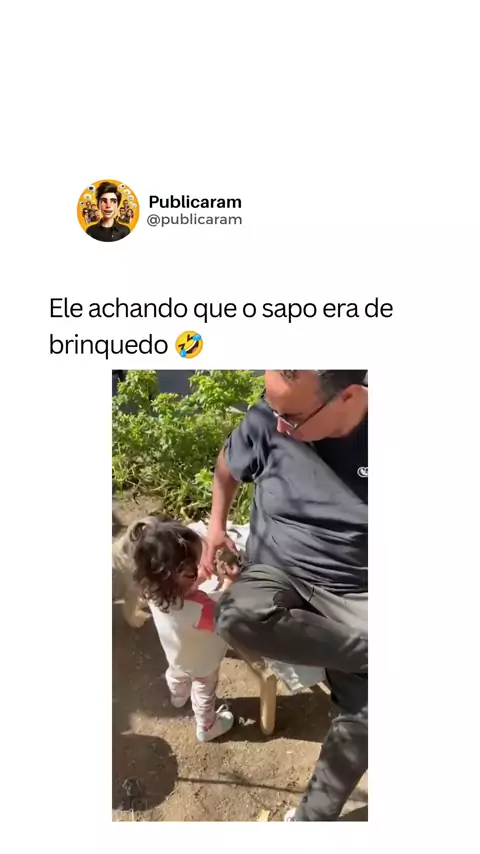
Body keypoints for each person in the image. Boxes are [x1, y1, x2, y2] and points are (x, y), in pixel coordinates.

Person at [201, 369, 368, 821]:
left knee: (369, 719)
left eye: (290, 416)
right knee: (235, 616)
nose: (275, 424)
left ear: (348, 397)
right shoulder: (269, 418)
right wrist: (216, 526)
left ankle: (311, 821)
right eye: (271, 406)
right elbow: (227, 464)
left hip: (357, 589)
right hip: (279, 571)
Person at [132, 516, 235, 742]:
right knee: (204, 691)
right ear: (182, 573)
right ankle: (207, 726)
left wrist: (195, 580)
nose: (198, 567)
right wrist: (229, 583)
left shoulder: (152, 589)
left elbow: (179, 593)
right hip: (202, 662)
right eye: (194, 566)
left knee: (177, 675)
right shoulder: (201, 607)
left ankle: (178, 697)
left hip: (176, 654)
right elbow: (223, 617)